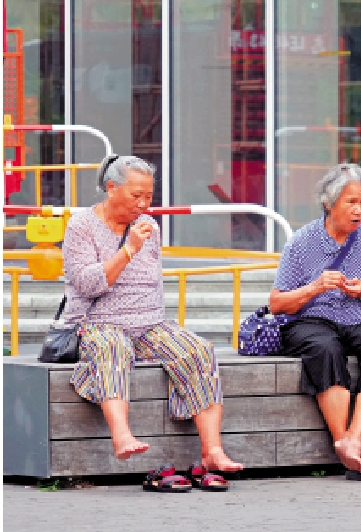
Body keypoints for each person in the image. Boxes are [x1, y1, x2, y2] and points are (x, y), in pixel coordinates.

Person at [63, 155, 243, 473]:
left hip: (148, 322)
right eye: (137, 196)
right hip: (98, 322)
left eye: (149, 196)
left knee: (198, 350)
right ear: (111, 188)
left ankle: (212, 450)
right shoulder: (81, 225)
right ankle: (122, 436)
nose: (144, 204)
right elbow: (88, 284)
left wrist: (157, 327)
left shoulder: (150, 227)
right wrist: (128, 249)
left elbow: (151, 283)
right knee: (111, 348)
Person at [269, 163, 361, 478]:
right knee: (325, 348)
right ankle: (341, 440)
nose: (360, 210)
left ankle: (354, 439)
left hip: (355, 316)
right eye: (351, 202)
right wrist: (315, 287)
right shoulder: (302, 241)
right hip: (311, 319)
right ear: (329, 203)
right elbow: (277, 303)